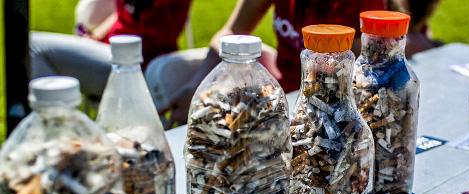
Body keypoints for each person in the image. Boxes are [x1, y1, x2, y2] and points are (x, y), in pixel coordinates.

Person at [156, 0, 388, 127]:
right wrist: (202, 86)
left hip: (328, 115)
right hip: (278, 103)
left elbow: (363, 75)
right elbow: (231, 31)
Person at [30, 0, 191, 100]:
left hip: (139, 63)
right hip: (111, 52)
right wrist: (96, 36)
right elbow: (121, 15)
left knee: (34, 45)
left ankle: (56, 130)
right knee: (34, 44)